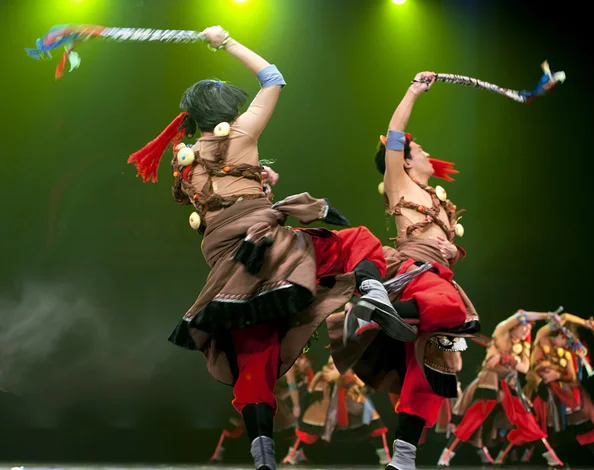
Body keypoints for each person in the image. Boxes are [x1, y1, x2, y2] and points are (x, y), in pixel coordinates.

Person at [127, 26, 415, 470]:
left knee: (255, 356)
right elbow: (273, 76)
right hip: (269, 246)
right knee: (356, 242)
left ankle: (263, 457)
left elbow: (218, 203)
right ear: (225, 110)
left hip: (230, 266)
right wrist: (224, 42)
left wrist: (258, 180)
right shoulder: (241, 134)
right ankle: (373, 298)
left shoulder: (185, 166)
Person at [326, 71, 479, 470]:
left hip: (439, 274)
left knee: (434, 366)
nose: (428, 153)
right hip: (414, 273)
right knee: (454, 313)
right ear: (406, 159)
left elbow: (440, 243)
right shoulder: (399, 182)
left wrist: (449, 248)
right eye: (421, 149)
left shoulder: (437, 200)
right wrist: (413, 90)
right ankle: (371, 317)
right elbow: (396, 131)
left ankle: (403, 459)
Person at [438, 310, 557, 467]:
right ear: (514, 326)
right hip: (489, 382)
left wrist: (505, 359)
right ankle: (444, 459)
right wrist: (546, 316)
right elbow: (520, 316)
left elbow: (525, 368)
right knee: (472, 420)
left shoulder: (522, 346)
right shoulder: (501, 333)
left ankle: (553, 459)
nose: (527, 330)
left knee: (526, 420)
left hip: (509, 385)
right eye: (524, 327)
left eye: (529, 328)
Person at [282, 355, 391, 466]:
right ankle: (294, 454)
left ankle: (384, 455)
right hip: (328, 406)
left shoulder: (351, 371)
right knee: (308, 429)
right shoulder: (326, 371)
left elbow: (362, 384)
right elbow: (313, 388)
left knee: (374, 423)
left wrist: (349, 380)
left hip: (352, 403)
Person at [524, 313, 594, 467]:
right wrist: (585, 322)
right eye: (566, 339)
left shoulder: (564, 353)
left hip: (565, 396)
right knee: (538, 429)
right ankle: (541, 460)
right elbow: (564, 316)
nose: (567, 344)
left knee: (583, 426)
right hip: (543, 393)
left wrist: (557, 374)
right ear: (558, 333)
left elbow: (573, 379)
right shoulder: (542, 340)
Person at [208, 355, 314, 465]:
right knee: (244, 426)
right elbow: (291, 387)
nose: (307, 365)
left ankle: (293, 454)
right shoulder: (289, 365)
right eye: (307, 361)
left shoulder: (295, 371)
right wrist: (296, 405)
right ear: (300, 359)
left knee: (289, 425)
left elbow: (280, 394)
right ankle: (292, 454)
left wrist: (298, 386)